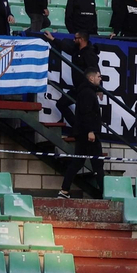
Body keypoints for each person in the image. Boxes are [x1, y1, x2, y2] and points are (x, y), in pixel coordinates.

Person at [59, 68, 105, 197]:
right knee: (97, 163)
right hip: (88, 134)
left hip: (82, 133)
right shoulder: (87, 93)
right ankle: (105, 193)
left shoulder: (86, 91)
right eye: (99, 76)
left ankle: (64, 190)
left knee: (78, 162)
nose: (100, 79)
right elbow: (87, 113)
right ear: (91, 78)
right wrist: (91, 131)